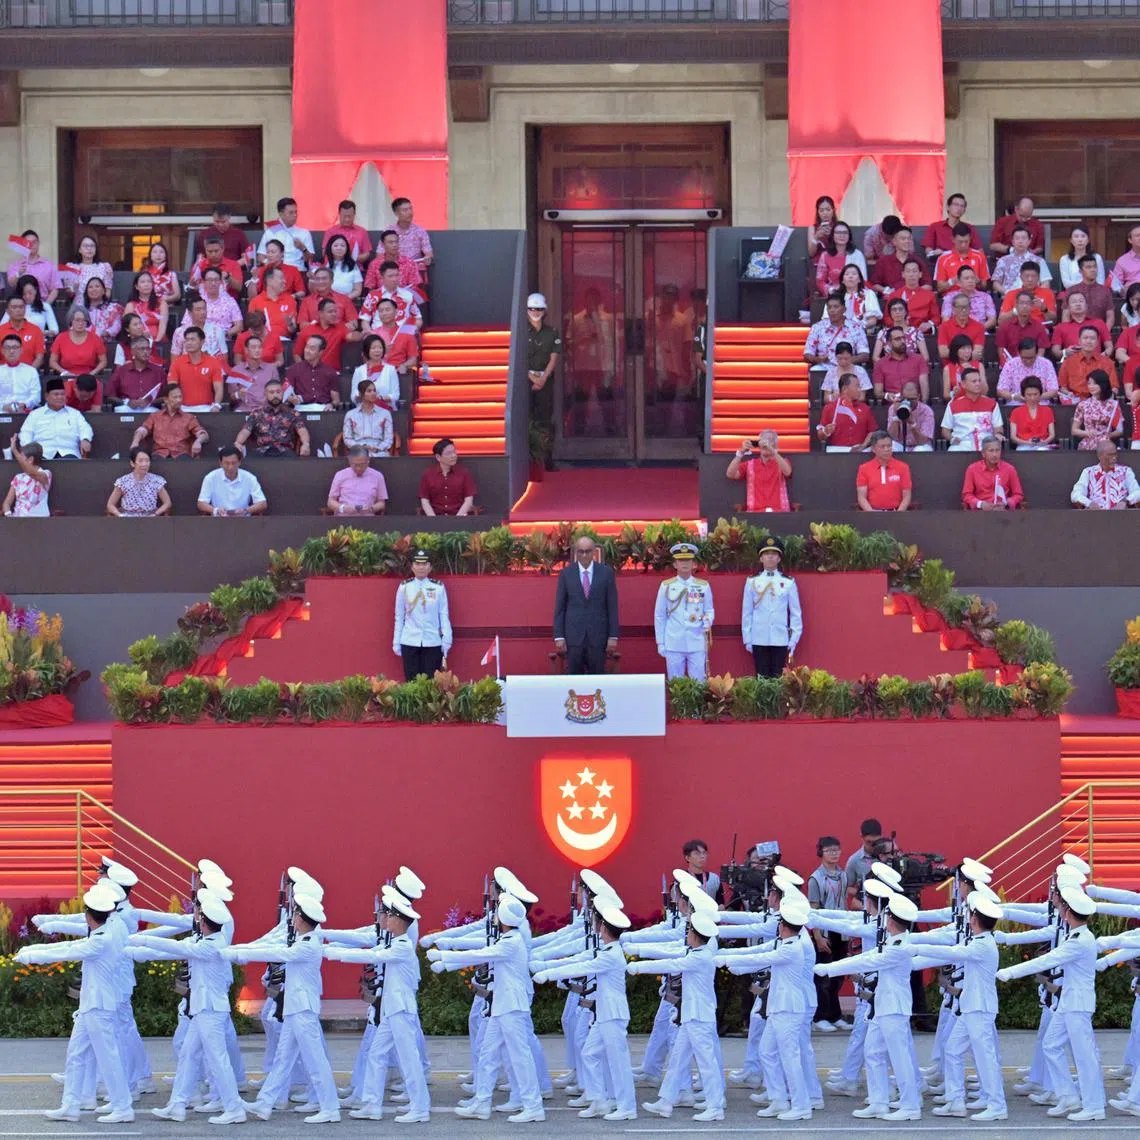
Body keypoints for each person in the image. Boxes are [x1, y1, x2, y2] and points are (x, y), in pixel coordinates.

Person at [14, 883, 134, 1125]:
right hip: (92, 1005)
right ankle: (70, 1106)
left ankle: (123, 1107)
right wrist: (32, 949)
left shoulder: (101, 940)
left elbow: (69, 950)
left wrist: (31, 955)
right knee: (76, 1055)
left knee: (107, 1058)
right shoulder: (109, 928)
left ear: (90, 916)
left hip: (98, 1007)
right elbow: (69, 946)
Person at [225, 890, 340, 1123]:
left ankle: (330, 1108)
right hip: (294, 1009)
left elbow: (278, 952)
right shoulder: (302, 940)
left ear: (303, 919)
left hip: (302, 1010)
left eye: (296, 915)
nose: (292, 918)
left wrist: (239, 953)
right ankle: (265, 1103)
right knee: (282, 1059)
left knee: (315, 1060)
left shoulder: (307, 944)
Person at [428, 895, 544, 1124]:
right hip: (502, 1006)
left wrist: (444, 955)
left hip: (511, 1007)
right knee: (487, 1055)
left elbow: (482, 954)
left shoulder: (511, 942)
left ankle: (533, 1106)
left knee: (520, 1057)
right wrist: (447, 963)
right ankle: (482, 1103)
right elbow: (484, 953)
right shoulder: (509, 938)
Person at [997, 886, 1105, 1122]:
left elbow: (1048, 959)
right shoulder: (1076, 936)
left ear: (1068, 912)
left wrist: (1011, 972)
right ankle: (1068, 1096)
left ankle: (1094, 1105)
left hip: (1077, 1004)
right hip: (1069, 1002)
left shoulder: (1079, 941)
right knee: (1051, 1045)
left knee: (1084, 1055)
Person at [324, 888, 430, 1124]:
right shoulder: (393, 942)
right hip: (391, 1010)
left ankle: (420, 1107)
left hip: (400, 1011)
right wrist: (335, 949)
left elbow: (372, 956)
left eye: (390, 915)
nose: (386, 918)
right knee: (376, 1054)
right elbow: (372, 949)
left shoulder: (401, 946)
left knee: (408, 1059)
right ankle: (372, 1104)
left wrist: (331, 953)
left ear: (400, 921)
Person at [816, 892, 923, 1122]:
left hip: (893, 1008)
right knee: (872, 1052)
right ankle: (879, 1102)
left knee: (899, 1057)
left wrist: (831, 968)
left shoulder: (899, 947)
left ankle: (911, 1105)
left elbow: (867, 961)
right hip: (882, 1006)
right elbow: (871, 955)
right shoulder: (891, 942)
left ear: (892, 920)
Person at [532, 898, 637, 1123]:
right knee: (589, 1054)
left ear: (605, 928)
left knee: (618, 1062)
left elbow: (583, 967)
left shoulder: (610, 955)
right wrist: (547, 966)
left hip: (613, 1015)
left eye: (600, 924)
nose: (597, 926)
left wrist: (549, 975)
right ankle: (600, 1100)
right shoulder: (606, 950)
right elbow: (582, 959)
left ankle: (627, 1107)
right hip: (604, 1015)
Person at [911, 893, 1007, 1122]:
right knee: (952, 1050)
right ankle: (955, 1101)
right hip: (970, 1007)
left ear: (974, 919)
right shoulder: (978, 942)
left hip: (979, 1009)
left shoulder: (982, 945)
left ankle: (997, 1105)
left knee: (985, 1057)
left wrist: (913, 946)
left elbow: (951, 953)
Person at [718, 897, 814, 1122]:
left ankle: (801, 1105)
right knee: (767, 1052)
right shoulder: (787, 943)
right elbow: (761, 953)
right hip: (779, 1007)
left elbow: (762, 958)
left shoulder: (792, 949)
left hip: (788, 1009)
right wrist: (729, 959)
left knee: (789, 1057)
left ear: (783, 926)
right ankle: (779, 1099)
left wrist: (733, 966)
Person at [631, 908, 726, 1122]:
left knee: (706, 1062)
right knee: (678, 1059)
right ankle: (666, 1101)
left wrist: (639, 966)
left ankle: (715, 1106)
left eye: (689, 931)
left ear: (695, 935)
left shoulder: (699, 958)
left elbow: (671, 964)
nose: (687, 934)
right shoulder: (697, 954)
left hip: (699, 1017)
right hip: (692, 1016)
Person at [554, 534, 620, 674]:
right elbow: (560, 608)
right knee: (574, 680)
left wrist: (613, 636)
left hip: (598, 637)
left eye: (588, 551)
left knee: (597, 680)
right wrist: (559, 636)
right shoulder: (566, 574)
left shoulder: (606, 573)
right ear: (576, 552)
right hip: (573, 637)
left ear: (593, 552)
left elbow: (612, 607)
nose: (584, 555)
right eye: (581, 551)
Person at [741, 536, 801, 677]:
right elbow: (747, 613)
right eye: (766, 554)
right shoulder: (752, 582)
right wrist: (747, 638)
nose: (770, 557)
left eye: (774, 554)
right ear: (761, 558)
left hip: (780, 638)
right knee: (761, 678)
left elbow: (795, 613)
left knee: (778, 679)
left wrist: (794, 639)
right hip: (759, 637)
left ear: (779, 559)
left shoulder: (788, 582)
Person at [654, 542, 714, 682]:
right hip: (674, 641)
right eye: (681, 560)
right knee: (676, 683)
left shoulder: (703, 586)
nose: (684, 564)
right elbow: (660, 615)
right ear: (675, 564)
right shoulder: (666, 586)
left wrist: (708, 620)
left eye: (688, 560)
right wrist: (661, 643)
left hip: (697, 640)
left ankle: (698, 705)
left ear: (694, 563)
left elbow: (709, 609)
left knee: (698, 682)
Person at [392, 549, 452, 680]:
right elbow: (399, 616)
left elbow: (443, 614)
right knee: (411, 683)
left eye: (424, 564)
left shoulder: (438, 587)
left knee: (431, 683)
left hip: (432, 641)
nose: (421, 567)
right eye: (417, 564)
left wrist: (447, 638)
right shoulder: (404, 587)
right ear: (412, 566)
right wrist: (396, 641)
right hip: (409, 640)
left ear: (430, 567)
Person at [807, 841, 848, 1032]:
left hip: (841, 929)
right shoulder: (816, 878)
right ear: (820, 853)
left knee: (838, 975)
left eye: (836, 850)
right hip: (824, 931)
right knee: (822, 977)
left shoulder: (843, 875)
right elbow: (813, 910)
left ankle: (835, 1014)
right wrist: (818, 937)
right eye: (829, 850)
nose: (834, 853)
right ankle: (819, 1016)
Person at [16, 378, 92, 458]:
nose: (60, 397)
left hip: (69, 453)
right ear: (46, 396)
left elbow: (85, 428)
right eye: (56, 394)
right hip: (43, 454)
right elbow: (26, 432)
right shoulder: (35, 414)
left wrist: (85, 439)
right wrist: (29, 450)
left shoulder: (74, 414)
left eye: (62, 394)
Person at [234, 378, 310, 457]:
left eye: (278, 392)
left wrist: (306, 444)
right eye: (271, 392)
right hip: (262, 451)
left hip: (285, 451)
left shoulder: (292, 413)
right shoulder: (257, 413)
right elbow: (245, 431)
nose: (275, 395)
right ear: (265, 394)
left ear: (282, 393)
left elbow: (302, 430)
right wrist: (238, 442)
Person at [131, 384, 208, 459]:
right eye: (175, 397)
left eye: (180, 397)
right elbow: (143, 430)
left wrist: (198, 441)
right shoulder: (155, 416)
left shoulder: (189, 418)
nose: (179, 400)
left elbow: (202, 433)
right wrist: (135, 442)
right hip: (159, 454)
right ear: (166, 399)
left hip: (181, 455)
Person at [725, 430, 792, 511]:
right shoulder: (750, 464)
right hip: (755, 512)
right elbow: (730, 474)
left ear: (775, 445)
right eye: (763, 441)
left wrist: (773, 452)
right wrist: (741, 453)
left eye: (770, 441)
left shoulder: (782, 462)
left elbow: (787, 472)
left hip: (779, 511)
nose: (766, 444)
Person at [942, 368, 1003, 451]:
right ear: (963, 384)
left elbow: (998, 428)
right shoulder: (953, 405)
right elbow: (945, 430)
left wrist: (998, 434)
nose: (978, 384)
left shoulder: (992, 404)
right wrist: (952, 438)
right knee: (953, 450)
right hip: (962, 444)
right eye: (974, 381)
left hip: (986, 444)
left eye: (979, 381)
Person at [196, 446, 268, 517]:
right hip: (218, 520)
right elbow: (201, 503)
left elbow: (262, 503)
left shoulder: (250, 478)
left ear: (239, 462)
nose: (230, 467)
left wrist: (246, 510)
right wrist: (216, 510)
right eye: (227, 463)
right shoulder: (210, 478)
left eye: (234, 463)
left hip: (243, 520)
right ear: (220, 463)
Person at [296, 297, 363, 370]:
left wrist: (359, 333)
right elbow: (296, 354)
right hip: (311, 373)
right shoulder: (307, 330)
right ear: (320, 313)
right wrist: (303, 370)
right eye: (330, 312)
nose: (334, 314)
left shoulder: (340, 327)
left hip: (333, 373)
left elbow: (351, 337)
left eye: (335, 311)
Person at [526, 292, 562, 431]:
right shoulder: (522, 332)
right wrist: (532, 378)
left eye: (539, 309)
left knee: (545, 416)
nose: (535, 312)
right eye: (532, 309)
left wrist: (542, 379)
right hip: (526, 379)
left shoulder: (552, 332)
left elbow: (553, 358)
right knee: (527, 415)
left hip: (545, 380)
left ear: (544, 310)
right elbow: (520, 358)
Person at [816, 373, 876, 452]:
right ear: (844, 389)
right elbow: (820, 435)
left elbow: (872, 431)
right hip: (838, 453)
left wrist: (863, 446)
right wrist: (826, 431)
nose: (859, 390)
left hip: (861, 452)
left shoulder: (865, 409)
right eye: (857, 386)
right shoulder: (829, 408)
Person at [803, 294, 869, 366]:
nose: (832, 310)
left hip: (849, 369)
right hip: (824, 369)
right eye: (829, 307)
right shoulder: (817, 327)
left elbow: (865, 355)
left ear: (844, 309)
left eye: (836, 307)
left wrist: (846, 361)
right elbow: (807, 355)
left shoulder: (856, 327)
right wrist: (817, 359)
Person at [1071, 440, 1140, 509]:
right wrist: (1089, 503)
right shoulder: (1088, 472)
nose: (1114, 458)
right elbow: (1075, 494)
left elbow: (1137, 492)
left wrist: (1126, 501)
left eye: (1115, 454)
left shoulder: (1125, 471)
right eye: (1110, 455)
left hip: (1121, 516)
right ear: (1099, 456)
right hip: (1095, 516)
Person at [167, 328, 224, 411]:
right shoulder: (177, 362)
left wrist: (217, 405)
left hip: (207, 408)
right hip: (183, 408)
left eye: (193, 339)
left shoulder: (213, 362)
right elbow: (171, 386)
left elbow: (218, 388)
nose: (189, 343)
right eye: (187, 340)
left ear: (202, 342)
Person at [106, 447, 172, 518]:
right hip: (127, 519)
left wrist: (155, 514)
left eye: (147, 461)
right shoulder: (123, 481)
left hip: (150, 518)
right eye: (140, 461)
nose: (144, 464)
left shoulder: (157, 480)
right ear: (132, 463)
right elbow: (110, 505)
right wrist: (120, 515)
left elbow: (167, 503)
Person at [961, 436, 1024, 510]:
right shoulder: (972, 469)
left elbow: (1018, 494)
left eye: (997, 450)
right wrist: (980, 504)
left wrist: (1006, 503)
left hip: (1003, 513)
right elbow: (966, 495)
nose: (995, 454)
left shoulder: (1009, 469)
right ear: (983, 453)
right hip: (980, 513)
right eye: (991, 451)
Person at [419, 438, 477, 517]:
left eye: (454, 452)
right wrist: (433, 520)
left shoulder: (463, 473)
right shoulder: (428, 474)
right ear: (438, 457)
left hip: (459, 517)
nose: (453, 455)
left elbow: (469, 500)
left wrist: (457, 519)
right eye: (448, 453)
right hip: (435, 517)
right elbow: (425, 500)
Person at [856, 432, 912, 512]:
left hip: (896, 513)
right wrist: (873, 515)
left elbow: (907, 496)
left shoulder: (903, 467)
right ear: (873, 449)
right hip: (873, 513)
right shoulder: (864, 468)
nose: (886, 449)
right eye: (882, 446)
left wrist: (898, 515)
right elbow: (861, 497)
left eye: (889, 446)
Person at [107, 337, 166, 413]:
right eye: (142, 349)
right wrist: (127, 402)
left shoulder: (159, 371)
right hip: (126, 408)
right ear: (133, 352)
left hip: (150, 408)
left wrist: (149, 402)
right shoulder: (122, 371)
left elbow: (167, 397)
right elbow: (109, 396)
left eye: (148, 349)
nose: (146, 352)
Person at [256, 196, 314, 271]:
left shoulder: (304, 233)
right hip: (275, 271)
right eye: (291, 212)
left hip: (297, 270)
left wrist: (302, 247)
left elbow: (309, 259)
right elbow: (260, 256)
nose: (295, 215)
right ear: (281, 214)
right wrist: (269, 263)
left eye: (296, 212)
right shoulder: (270, 232)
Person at [362, 261, 423, 332]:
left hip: (402, 334)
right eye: (390, 276)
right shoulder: (372, 296)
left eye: (397, 275)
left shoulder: (408, 295)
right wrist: (373, 335)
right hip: (379, 336)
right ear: (382, 277)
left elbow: (418, 318)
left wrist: (409, 332)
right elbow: (364, 320)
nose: (394, 279)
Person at [1059, 329, 1116, 404]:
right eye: (1085, 338)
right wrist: (1070, 396)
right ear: (1079, 341)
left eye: (1092, 338)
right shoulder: (1068, 362)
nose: (1089, 341)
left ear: (1097, 342)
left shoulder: (1107, 362)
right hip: (1075, 403)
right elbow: (1063, 388)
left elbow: (1114, 387)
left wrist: (1104, 401)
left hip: (1100, 402)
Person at [873, 326, 929, 401]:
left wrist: (923, 405)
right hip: (892, 405)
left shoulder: (918, 359)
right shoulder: (880, 364)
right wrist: (887, 395)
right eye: (898, 339)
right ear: (889, 343)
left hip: (915, 404)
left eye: (903, 338)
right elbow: (878, 392)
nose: (902, 341)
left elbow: (924, 386)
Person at [226, 334, 279, 413]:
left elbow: (277, 393)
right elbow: (231, 398)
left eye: (260, 347)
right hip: (244, 409)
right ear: (246, 350)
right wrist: (238, 395)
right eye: (254, 347)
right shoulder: (236, 371)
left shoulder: (271, 369)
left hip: (266, 411)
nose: (257, 350)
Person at [285, 334, 340, 411]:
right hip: (301, 408)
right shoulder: (294, 369)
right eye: (306, 347)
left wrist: (331, 405)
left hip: (323, 408)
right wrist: (292, 399)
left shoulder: (330, 372)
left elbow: (336, 400)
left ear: (321, 352)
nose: (307, 351)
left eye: (312, 348)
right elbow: (286, 394)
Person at [327, 446, 388, 515]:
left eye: (362, 465)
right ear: (349, 461)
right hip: (344, 518)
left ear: (368, 461)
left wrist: (371, 509)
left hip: (367, 519)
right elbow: (330, 502)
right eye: (355, 465)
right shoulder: (340, 475)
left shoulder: (377, 476)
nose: (358, 468)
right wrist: (343, 508)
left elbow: (382, 503)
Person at [1072, 369, 1123, 450]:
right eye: (1089, 383)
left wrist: (1107, 435)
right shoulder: (1083, 405)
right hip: (1088, 443)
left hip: (1106, 443)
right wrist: (1086, 433)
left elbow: (1120, 430)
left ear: (1103, 384)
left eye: (1095, 383)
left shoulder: (1113, 405)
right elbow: (1074, 430)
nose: (1091, 386)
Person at [933, 222, 990, 295]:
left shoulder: (979, 256)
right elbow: (940, 288)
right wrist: (953, 281)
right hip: (952, 299)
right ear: (953, 239)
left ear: (970, 239)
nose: (963, 245)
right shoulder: (943, 258)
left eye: (966, 241)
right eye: (960, 242)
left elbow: (985, 286)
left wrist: (978, 281)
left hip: (974, 298)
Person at [1052, 293, 1112, 362]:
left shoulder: (1099, 323)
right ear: (1068, 308)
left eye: (1081, 301)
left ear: (1086, 306)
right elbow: (1055, 351)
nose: (1078, 304)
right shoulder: (1060, 327)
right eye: (1074, 302)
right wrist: (1065, 352)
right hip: (1072, 364)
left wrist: (1101, 357)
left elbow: (1109, 346)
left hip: (1097, 363)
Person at [869, 228, 929, 295]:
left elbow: (928, 285)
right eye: (903, 239)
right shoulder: (884, 261)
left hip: (914, 299)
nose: (907, 241)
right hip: (892, 300)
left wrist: (913, 292)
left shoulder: (918, 260)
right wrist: (886, 290)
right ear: (894, 242)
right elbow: (874, 285)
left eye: (909, 239)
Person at [997, 337, 1058, 403]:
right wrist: (1014, 396)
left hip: (1041, 403)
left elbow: (1054, 390)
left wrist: (1035, 397)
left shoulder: (1046, 364)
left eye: (1031, 358)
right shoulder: (1010, 365)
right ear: (1019, 353)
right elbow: (1000, 390)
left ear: (1036, 353)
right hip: (1016, 403)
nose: (1028, 361)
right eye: (1024, 358)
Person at [367, 296, 419, 373]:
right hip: (377, 373)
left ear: (396, 311)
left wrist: (404, 365)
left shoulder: (407, 333)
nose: (384, 313)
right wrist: (383, 352)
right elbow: (366, 359)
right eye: (381, 311)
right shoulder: (373, 334)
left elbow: (413, 359)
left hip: (398, 372)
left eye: (387, 310)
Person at [49, 307, 106, 376]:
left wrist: (92, 373)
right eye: (77, 320)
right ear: (71, 321)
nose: (80, 323)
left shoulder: (95, 338)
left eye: (84, 320)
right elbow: (52, 362)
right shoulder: (61, 338)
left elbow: (103, 361)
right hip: (66, 376)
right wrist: (64, 372)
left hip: (89, 377)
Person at [343, 379, 394, 457]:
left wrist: (377, 448)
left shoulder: (385, 414)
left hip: (378, 451)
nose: (373, 393)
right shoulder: (351, 414)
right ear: (361, 394)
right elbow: (347, 438)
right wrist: (360, 448)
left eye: (374, 390)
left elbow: (389, 438)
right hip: (358, 450)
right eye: (369, 391)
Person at [814, 222, 867, 296]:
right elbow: (820, 281)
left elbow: (863, 279)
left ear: (849, 236)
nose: (842, 235)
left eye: (845, 233)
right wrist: (831, 290)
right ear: (832, 235)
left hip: (854, 294)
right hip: (833, 296)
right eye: (838, 232)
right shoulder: (825, 255)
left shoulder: (857, 255)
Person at [6, 229, 60, 302]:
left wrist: (46, 305)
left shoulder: (49, 265)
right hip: (21, 306)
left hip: (42, 304)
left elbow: (55, 289)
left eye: (34, 242)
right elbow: (11, 284)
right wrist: (19, 273)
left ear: (38, 243)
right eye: (28, 242)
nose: (32, 245)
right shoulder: (15, 265)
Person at [997, 291, 1051, 363]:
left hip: (1032, 365)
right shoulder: (1005, 327)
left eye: (1028, 303)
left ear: (1032, 306)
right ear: (1016, 305)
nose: (1024, 306)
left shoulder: (1039, 326)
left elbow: (1041, 351)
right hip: (1010, 366)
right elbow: (1001, 351)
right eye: (1021, 303)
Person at [886, 259, 939, 331]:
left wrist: (929, 324)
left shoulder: (929, 295)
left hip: (921, 332)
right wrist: (899, 324)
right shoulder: (894, 295)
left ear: (920, 274)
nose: (911, 274)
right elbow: (887, 318)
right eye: (908, 271)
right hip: (899, 332)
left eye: (914, 271)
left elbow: (936, 317)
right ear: (903, 274)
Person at [366, 228, 424, 294]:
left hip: (405, 298)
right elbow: (370, 288)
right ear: (382, 245)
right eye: (391, 242)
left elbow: (415, 286)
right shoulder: (374, 264)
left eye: (396, 242)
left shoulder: (409, 263)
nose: (394, 245)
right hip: (382, 300)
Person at [2, 438, 50, 517]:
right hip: (18, 522)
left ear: (30, 459)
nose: (19, 460)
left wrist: (14, 450)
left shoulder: (46, 474)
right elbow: (6, 503)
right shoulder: (18, 477)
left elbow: (32, 473)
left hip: (40, 521)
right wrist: (9, 516)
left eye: (21, 457)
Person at [351, 335, 400, 411]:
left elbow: (395, 395)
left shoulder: (390, 369)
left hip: (386, 410)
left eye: (380, 348)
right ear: (367, 350)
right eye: (373, 348)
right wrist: (364, 396)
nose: (377, 350)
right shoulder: (359, 371)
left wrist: (380, 398)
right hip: (364, 411)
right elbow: (353, 396)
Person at [1066, 253, 1116, 327]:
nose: (1093, 270)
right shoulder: (1071, 290)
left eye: (1094, 267)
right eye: (1088, 267)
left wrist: (1104, 333)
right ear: (1080, 271)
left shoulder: (1105, 291)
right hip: (1075, 332)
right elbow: (1066, 316)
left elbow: (1110, 316)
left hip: (1099, 332)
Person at [887, 380, 934, 452]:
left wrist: (913, 424)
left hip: (919, 445)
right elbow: (892, 437)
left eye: (912, 399)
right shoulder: (894, 408)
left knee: (921, 450)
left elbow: (923, 441)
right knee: (890, 447)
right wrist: (896, 415)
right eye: (906, 398)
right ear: (901, 396)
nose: (908, 402)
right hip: (900, 444)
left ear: (918, 397)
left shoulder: (926, 411)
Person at [124, 270, 169, 346]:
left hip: (159, 343)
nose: (146, 284)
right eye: (143, 282)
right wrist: (140, 335)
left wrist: (155, 343)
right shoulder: (130, 306)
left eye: (149, 282)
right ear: (136, 286)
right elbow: (127, 329)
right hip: (138, 343)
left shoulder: (162, 303)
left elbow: (163, 327)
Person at [1009, 378, 1056, 449]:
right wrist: (1027, 443)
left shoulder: (1047, 411)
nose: (1032, 398)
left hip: (1042, 445)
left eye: (1035, 394)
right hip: (1023, 445)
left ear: (1040, 394)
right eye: (1029, 395)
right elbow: (1013, 436)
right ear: (1023, 395)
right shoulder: (1016, 412)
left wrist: (1044, 442)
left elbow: (1052, 434)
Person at [937, 292, 985, 362]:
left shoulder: (979, 327)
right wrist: (966, 355)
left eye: (966, 307)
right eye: (960, 307)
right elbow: (943, 353)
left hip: (971, 367)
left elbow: (977, 354)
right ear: (953, 309)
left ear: (970, 308)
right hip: (951, 366)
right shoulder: (944, 327)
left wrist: (954, 354)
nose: (964, 310)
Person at [0, 332, 42, 411]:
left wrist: (25, 405)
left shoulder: (31, 371)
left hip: (25, 412)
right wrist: (3, 406)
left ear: (21, 350)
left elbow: (36, 396)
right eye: (8, 347)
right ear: (2, 350)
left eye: (15, 347)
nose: (11, 351)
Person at [2, 294, 46, 366]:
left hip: (29, 374)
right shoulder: (1, 330)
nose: (18, 310)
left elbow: (40, 357)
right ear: (7, 311)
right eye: (14, 307)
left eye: (21, 307)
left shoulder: (35, 330)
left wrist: (29, 372)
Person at [837, 264, 881, 331]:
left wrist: (856, 328)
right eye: (847, 274)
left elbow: (872, 320)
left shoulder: (869, 294)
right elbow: (827, 319)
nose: (850, 276)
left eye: (854, 274)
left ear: (859, 279)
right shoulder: (836, 297)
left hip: (862, 332)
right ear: (842, 280)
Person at [322, 234, 363, 301]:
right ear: (330, 247)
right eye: (336, 245)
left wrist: (344, 299)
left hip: (346, 301)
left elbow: (358, 290)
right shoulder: (325, 265)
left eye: (342, 245)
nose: (339, 248)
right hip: (327, 301)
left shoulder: (352, 265)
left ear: (347, 248)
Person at [941, 333, 979, 401]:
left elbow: (985, 391)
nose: (967, 351)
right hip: (957, 403)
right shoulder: (948, 368)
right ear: (955, 351)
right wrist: (953, 393)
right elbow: (946, 395)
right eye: (963, 348)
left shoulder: (978, 365)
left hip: (975, 402)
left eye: (969, 348)